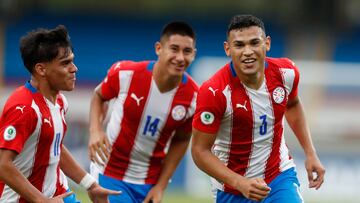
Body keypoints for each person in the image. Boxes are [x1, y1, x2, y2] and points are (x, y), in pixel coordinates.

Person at [191, 14, 325, 203]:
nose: (248, 51)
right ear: (227, 49)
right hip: (232, 188)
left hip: (278, 176)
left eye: (254, 43)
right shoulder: (215, 92)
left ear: (267, 44)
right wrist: (240, 183)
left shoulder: (286, 73)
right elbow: (199, 151)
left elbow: (293, 105)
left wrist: (311, 154)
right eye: (239, 45)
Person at [0, 25, 120, 203]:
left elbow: (53, 149)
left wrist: (91, 185)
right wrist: (42, 200)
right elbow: (3, 165)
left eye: (72, 61)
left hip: (58, 194)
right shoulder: (24, 109)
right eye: (65, 63)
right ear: (41, 69)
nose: (74, 69)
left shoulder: (60, 102)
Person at [88, 21, 198, 203]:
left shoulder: (194, 98)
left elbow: (182, 138)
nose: (180, 57)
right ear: (159, 48)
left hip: (149, 182)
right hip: (109, 172)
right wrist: (95, 131)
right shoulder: (126, 74)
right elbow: (99, 95)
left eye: (187, 52)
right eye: (174, 49)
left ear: (193, 54)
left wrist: (161, 187)